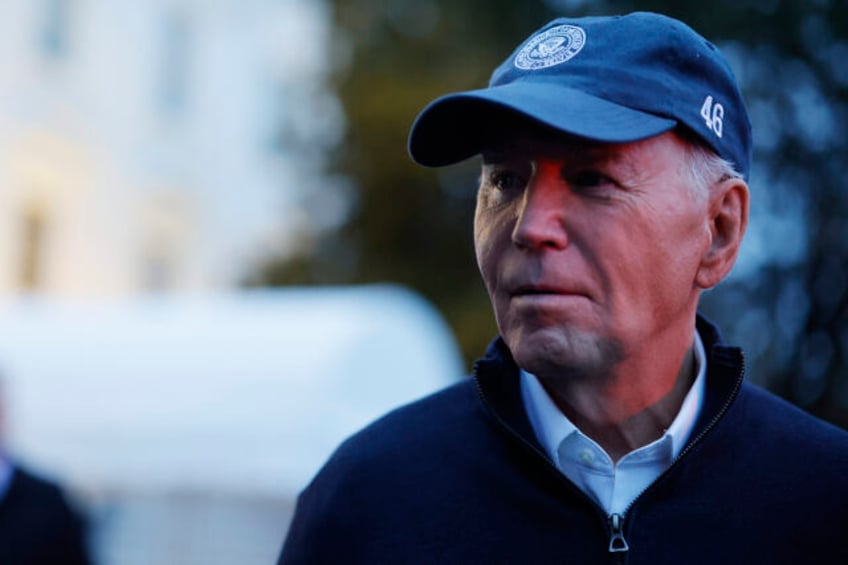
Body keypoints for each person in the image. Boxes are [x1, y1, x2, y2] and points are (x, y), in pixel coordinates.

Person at [278, 12, 848, 564]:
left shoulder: (823, 503)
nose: (529, 226)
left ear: (719, 230)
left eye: (592, 179)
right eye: (504, 181)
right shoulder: (367, 502)